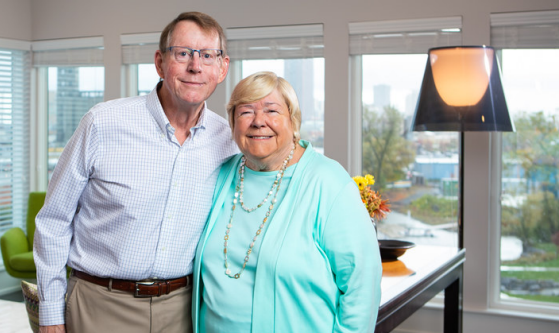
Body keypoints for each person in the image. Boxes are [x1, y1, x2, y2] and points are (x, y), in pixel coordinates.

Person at [33, 12, 238, 333]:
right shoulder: (102, 124)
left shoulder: (228, 141)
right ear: (159, 62)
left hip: (184, 310)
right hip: (99, 303)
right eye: (183, 53)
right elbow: (53, 222)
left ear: (222, 68)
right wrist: (50, 314)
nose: (195, 66)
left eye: (207, 55)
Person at [191, 71, 382, 332]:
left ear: (292, 120)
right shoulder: (221, 174)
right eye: (246, 112)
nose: (258, 121)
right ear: (233, 123)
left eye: (272, 111)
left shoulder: (328, 182)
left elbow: (362, 285)